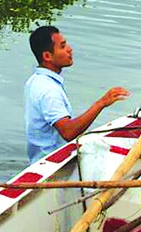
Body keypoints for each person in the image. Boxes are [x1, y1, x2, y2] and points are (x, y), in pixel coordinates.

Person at [24, 25, 130, 163]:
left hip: (39, 159)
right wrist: (101, 103)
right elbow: (68, 132)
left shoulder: (35, 80)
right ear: (47, 56)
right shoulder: (49, 90)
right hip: (52, 163)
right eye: (62, 46)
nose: (69, 49)